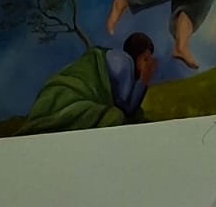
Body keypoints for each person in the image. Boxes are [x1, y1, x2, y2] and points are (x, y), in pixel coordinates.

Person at [20, 33, 157, 134]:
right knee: (115, 117)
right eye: (145, 59)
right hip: (70, 97)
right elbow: (127, 108)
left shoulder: (118, 60)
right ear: (135, 55)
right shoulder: (124, 62)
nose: (148, 64)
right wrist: (144, 80)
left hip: (65, 92)